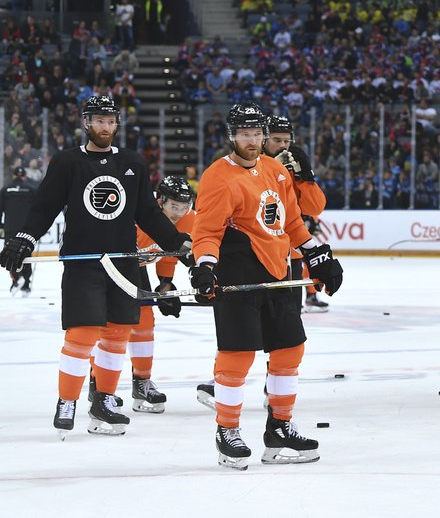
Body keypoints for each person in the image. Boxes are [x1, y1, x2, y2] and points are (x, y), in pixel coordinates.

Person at [0, 96, 192, 439]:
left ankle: (103, 399)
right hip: (84, 262)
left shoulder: (133, 163)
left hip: (123, 263)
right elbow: (44, 208)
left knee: (118, 335)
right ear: (86, 123)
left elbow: (147, 213)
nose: (104, 127)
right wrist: (23, 237)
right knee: (82, 334)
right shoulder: (67, 161)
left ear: (117, 124)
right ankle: (67, 400)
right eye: (98, 121)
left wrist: (179, 245)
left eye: (110, 121)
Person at [189, 102, 343, 470]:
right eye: (245, 133)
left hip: (278, 273)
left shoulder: (276, 170)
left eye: (257, 133)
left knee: (290, 350)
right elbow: (207, 232)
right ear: (232, 136)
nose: (252, 140)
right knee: (238, 356)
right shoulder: (217, 176)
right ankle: (227, 430)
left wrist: (318, 255)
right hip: (237, 272)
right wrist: (205, 267)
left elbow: (293, 225)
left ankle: (280, 429)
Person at [95, 175, 194, 414]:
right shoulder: (139, 216)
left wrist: (165, 284)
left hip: (137, 268)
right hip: (109, 268)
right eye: (174, 206)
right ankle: (97, 385)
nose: (179, 213)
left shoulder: (188, 220)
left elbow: (170, 252)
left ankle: (141, 382)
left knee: (145, 323)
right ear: (159, 201)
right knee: (113, 328)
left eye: (184, 207)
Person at [264, 115, 330, 313]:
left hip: (289, 252)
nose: (283, 146)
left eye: (286, 140)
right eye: (276, 140)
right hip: (259, 252)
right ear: (263, 140)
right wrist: (271, 168)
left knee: (289, 320)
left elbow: (315, 207)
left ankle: (310, 295)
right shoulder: (250, 165)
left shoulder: (293, 166)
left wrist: (305, 177)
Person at [1, 166, 36, 296]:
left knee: (11, 255)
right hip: (26, 229)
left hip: (10, 228)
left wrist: (0, 227)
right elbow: (37, 209)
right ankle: (26, 285)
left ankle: (17, 279)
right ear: (24, 176)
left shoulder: (5, 190)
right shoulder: (31, 190)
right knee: (26, 255)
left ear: (13, 176)